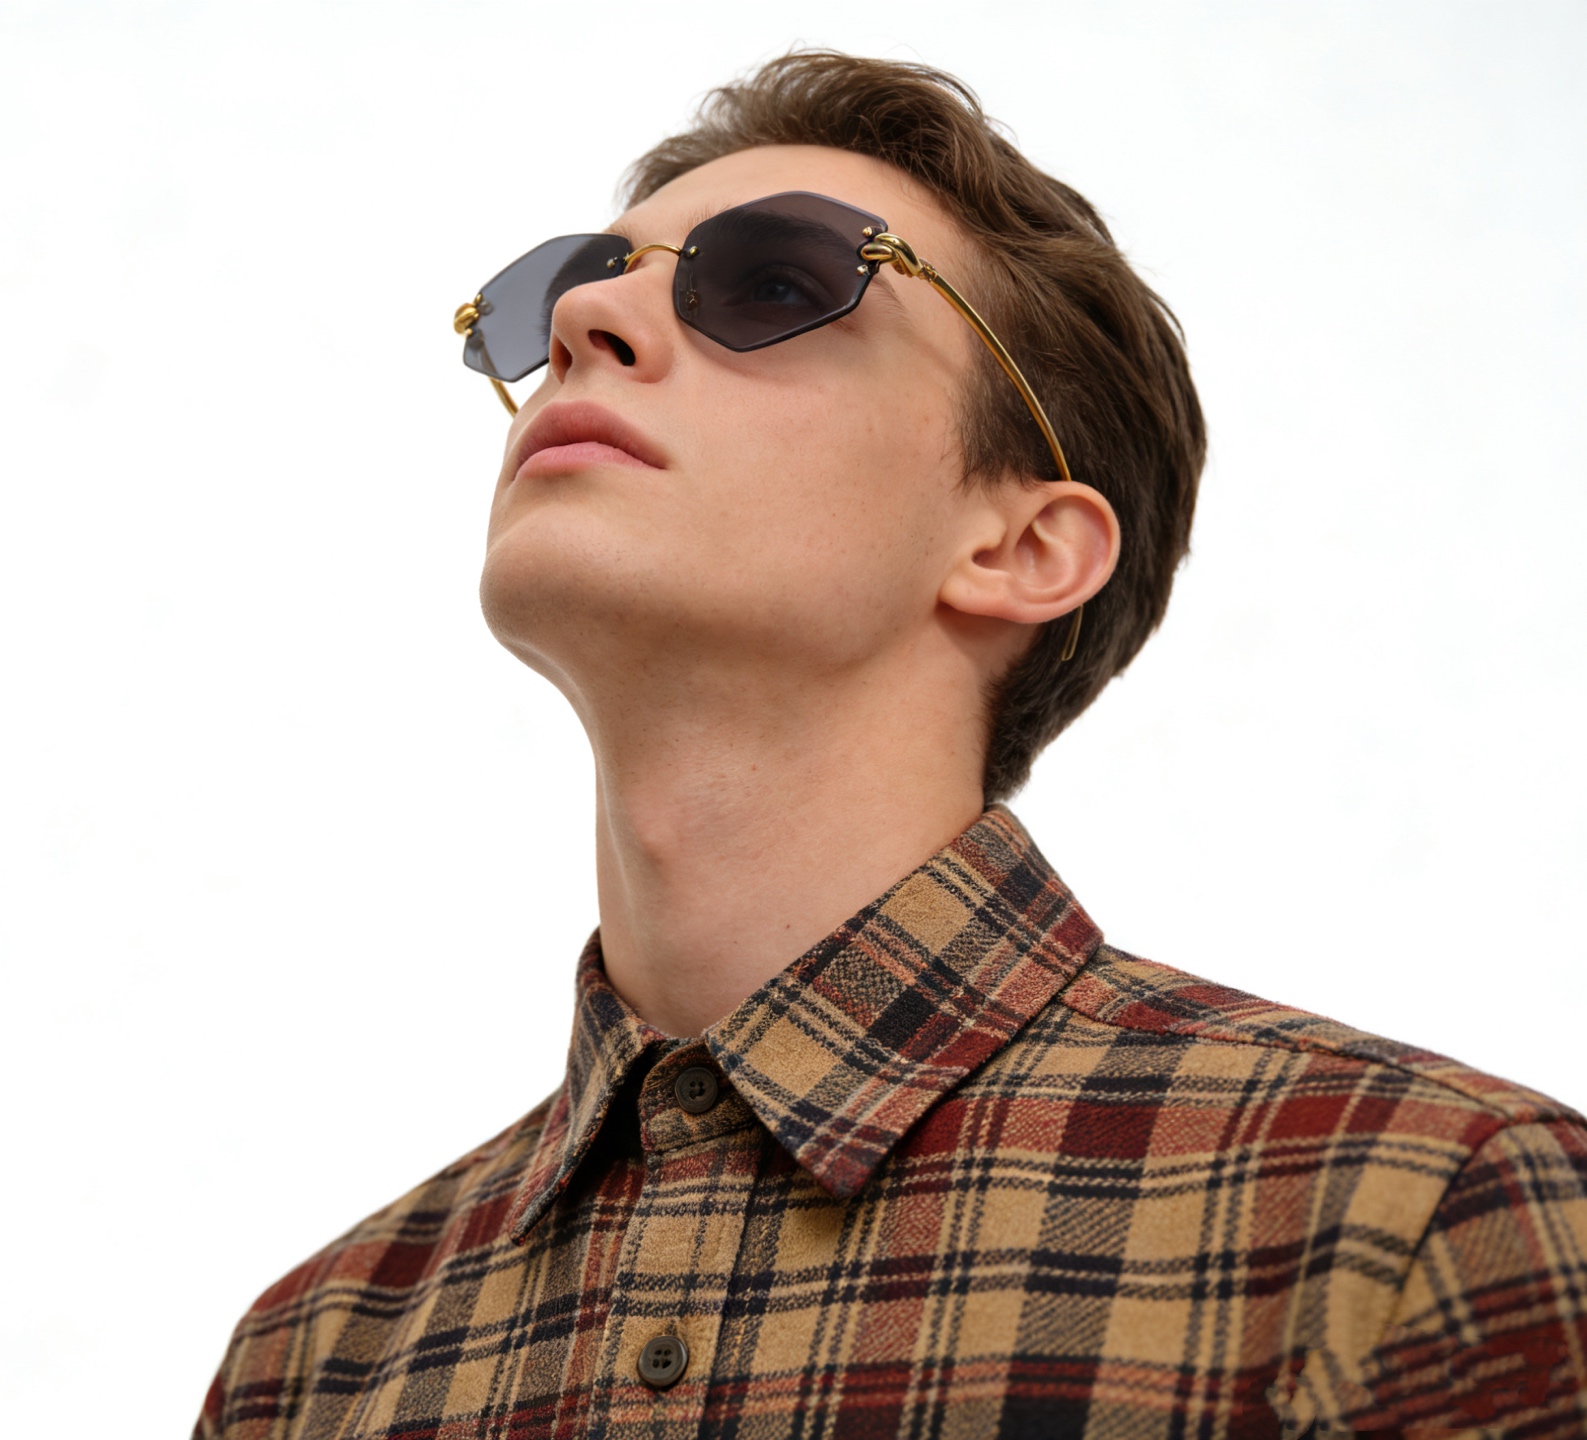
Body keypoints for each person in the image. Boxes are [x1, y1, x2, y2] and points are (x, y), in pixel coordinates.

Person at [195, 51, 1587, 1439]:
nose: (587, 317)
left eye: (774, 282)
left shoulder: (1418, 1224)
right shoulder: (304, 1371)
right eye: (575, 282)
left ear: (1023, 547)